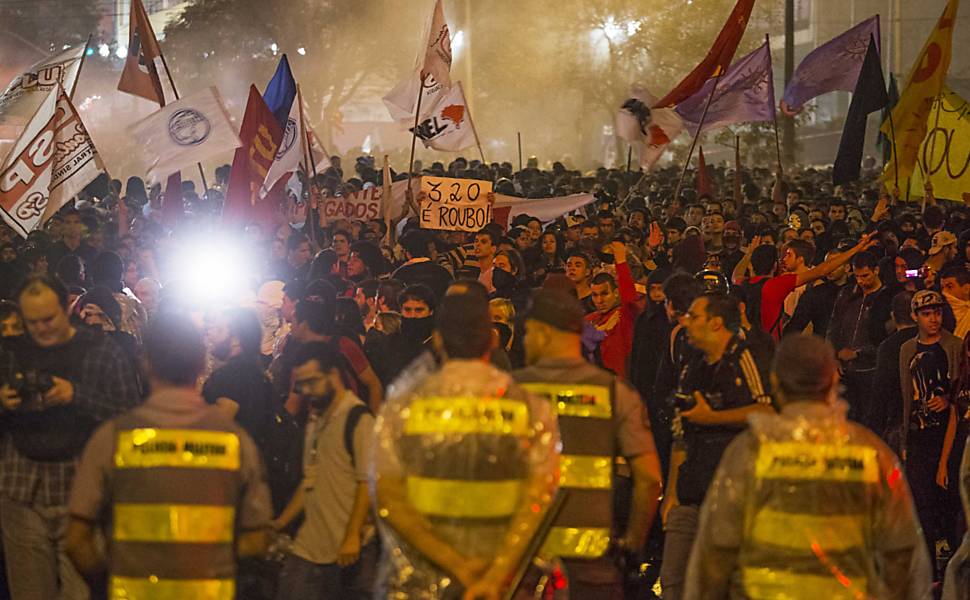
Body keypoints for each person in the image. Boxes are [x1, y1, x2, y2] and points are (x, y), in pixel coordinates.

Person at [684, 334, 932, 599]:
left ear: (775, 382)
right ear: (833, 381)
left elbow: (716, 552)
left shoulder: (751, 451)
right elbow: (902, 555)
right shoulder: (871, 453)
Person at [65, 311, 272, 598]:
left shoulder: (112, 439)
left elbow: (76, 541)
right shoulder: (235, 442)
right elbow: (259, 540)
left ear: (145, 362)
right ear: (201, 363)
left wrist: (111, 582)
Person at [372, 292, 559, 599]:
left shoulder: (403, 408)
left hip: (424, 582)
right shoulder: (530, 410)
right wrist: (495, 575)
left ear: (437, 340)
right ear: (493, 340)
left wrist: (458, 566)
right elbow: (540, 498)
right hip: (504, 585)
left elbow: (388, 498)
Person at [0, 276, 142, 600]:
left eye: (48, 319)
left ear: (66, 308)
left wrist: (76, 395)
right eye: (31, 322)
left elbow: (132, 419)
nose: (41, 329)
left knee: (79, 593)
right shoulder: (8, 351)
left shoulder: (102, 352)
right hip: (19, 487)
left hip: (81, 491)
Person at [514, 288, 662, 596]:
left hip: (525, 564)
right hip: (593, 564)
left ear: (541, 332)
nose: (525, 342)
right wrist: (631, 547)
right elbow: (649, 481)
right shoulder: (615, 393)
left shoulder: (511, 392)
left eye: (527, 333)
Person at [660, 293, 774, 600]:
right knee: (674, 581)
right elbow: (680, 433)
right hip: (692, 490)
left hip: (734, 496)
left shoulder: (745, 357)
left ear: (716, 323)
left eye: (694, 316)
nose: (685, 321)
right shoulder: (691, 366)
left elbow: (768, 412)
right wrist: (671, 494)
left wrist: (712, 418)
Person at [272, 342, 376, 599]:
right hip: (310, 546)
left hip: (344, 553)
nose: (306, 391)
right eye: (301, 385)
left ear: (334, 374)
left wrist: (352, 536)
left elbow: (368, 482)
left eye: (312, 382)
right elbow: (311, 478)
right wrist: (280, 523)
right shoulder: (316, 419)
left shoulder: (359, 420)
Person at [899, 289, 964, 580]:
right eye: (927, 313)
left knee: (950, 501)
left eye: (937, 312)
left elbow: (962, 390)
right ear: (915, 317)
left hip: (947, 435)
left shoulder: (955, 346)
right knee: (922, 502)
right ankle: (930, 569)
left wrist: (949, 401)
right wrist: (903, 438)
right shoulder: (906, 350)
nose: (933, 319)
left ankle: (952, 564)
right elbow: (905, 396)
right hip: (919, 435)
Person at [755, 233, 876, 338]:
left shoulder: (857, 291)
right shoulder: (815, 293)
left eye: (835, 264)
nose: (830, 268)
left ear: (847, 267)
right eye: (828, 264)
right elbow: (795, 327)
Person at [828, 251, 894, 422]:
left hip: (871, 370)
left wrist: (860, 353)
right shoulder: (846, 294)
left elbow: (888, 338)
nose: (861, 281)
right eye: (857, 276)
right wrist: (833, 356)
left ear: (876, 270)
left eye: (865, 275)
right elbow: (834, 326)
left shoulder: (887, 298)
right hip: (843, 370)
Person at [203, 307, 276, 454]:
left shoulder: (229, 377)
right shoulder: (258, 374)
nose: (210, 335)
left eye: (219, 329)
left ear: (236, 339)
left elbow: (218, 430)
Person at [866, 291, 918, 440]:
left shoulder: (889, 347)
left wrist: (873, 430)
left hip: (899, 418)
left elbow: (881, 391)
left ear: (893, 316)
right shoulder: (935, 339)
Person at [585, 241, 640, 377]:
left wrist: (621, 262)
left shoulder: (625, 314)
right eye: (595, 295)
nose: (599, 300)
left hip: (620, 386)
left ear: (616, 293)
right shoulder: (588, 320)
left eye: (604, 294)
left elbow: (629, 297)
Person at [392, 230, 453, 302]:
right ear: (429, 250)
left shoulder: (398, 274)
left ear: (408, 253)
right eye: (434, 250)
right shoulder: (443, 273)